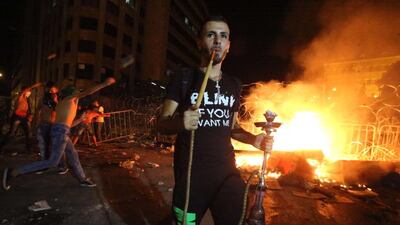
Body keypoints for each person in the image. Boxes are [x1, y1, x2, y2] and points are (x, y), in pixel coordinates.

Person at [158, 16, 271, 225]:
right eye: (211, 35)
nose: (217, 40)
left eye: (223, 36)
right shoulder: (184, 77)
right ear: (199, 42)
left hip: (226, 173)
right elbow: (161, 123)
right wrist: (180, 122)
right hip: (191, 174)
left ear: (228, 46)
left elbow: (233, 127)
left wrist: (254, 140)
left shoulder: (234, 84)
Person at [2, 77, 116, 190]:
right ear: (71, 93)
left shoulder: (63, 104)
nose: (78, 93)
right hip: (60, 132)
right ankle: (13, 172)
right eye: (76, 91)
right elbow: (88, 92)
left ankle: (82, 179)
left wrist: (80, 120)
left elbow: (67, 125)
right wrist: (104, 84)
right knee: (52, 162)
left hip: (61, 130)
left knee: (73, 154)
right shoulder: (70, 99)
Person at [0, 82, 42, 153]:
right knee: (11, 133)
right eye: (29, 92)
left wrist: (30, 116)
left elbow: (27, 110)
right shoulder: (21, 96)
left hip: (24, 117)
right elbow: (27, 89)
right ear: (25, 92)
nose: (30, 93)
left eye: (30, 92)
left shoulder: (27, 100)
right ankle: (1, 146)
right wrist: (35, 85)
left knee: (29, 133)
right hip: (17, 117)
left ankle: (28, 148)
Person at [36, 82, 68, 174]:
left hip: (55, 126)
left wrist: (55, 101)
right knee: (44, 147)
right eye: (49, 90)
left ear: (57, 91)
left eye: (53, 90)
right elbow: (38, 111)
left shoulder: (60, 100)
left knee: (58, 147)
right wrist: (37, 123)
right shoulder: (43, 100)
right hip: (44, 125)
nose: (51, 92)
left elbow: (61, 111)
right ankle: (44, 165)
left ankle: (63, 166)